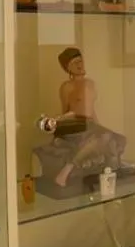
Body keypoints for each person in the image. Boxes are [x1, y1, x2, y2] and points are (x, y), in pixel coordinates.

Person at [44, 47, 126, 188]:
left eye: (81, 61)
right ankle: (67, 169)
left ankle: (111, 175)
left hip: (89, 125)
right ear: (68, 68)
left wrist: (99, 128)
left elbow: (91, 111)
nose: (80, 65)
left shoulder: (90, 84)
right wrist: (59, 125)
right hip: (74, 124)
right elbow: (65, 110)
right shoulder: (66, 87)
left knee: (118, 139)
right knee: (106, 137)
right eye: (75, 63)